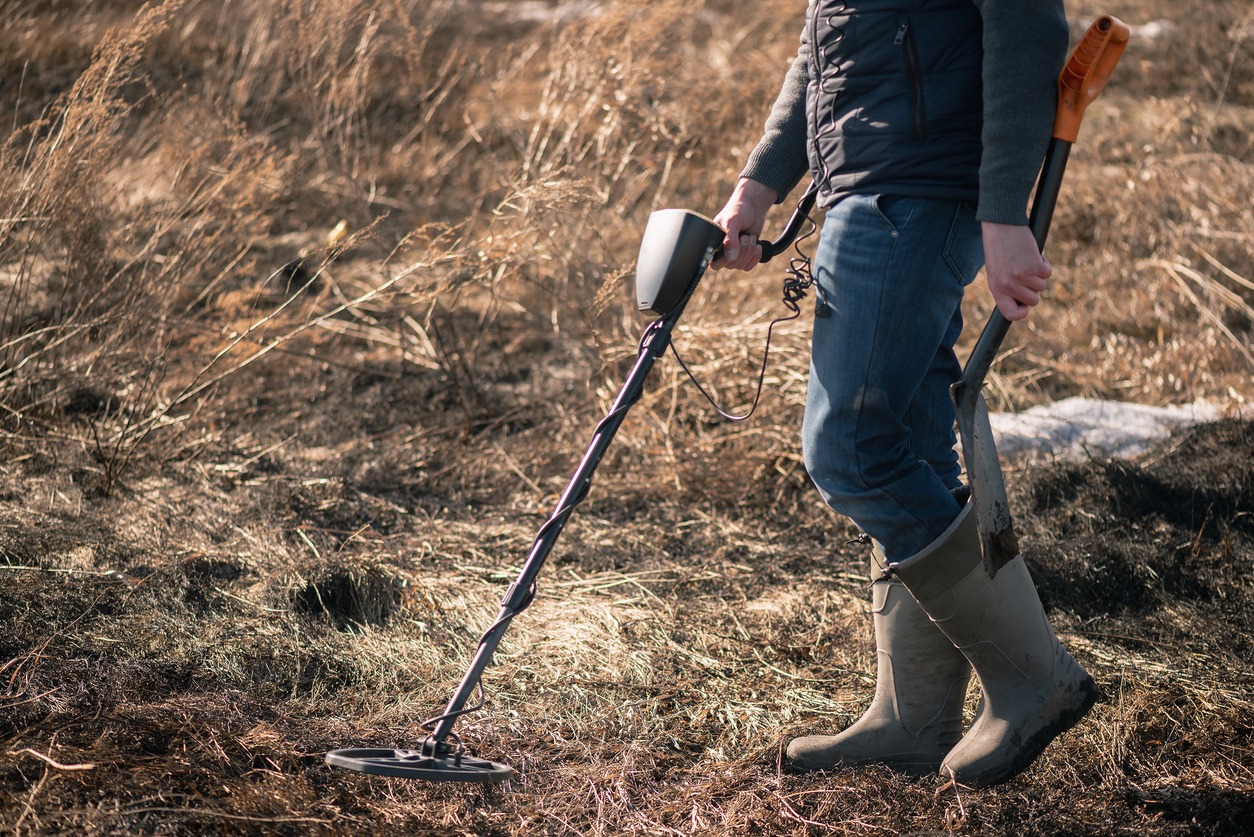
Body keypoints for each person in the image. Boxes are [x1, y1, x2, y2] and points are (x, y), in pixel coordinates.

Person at [711, 0, 1098, 786]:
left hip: (916, 192)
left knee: (852, 447)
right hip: (872, 188)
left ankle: (1033, 677)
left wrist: (1002, 211)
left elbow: (1026, 29)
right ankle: (912, 719)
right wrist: (758, 185)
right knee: (906, 447)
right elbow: (826, 55)